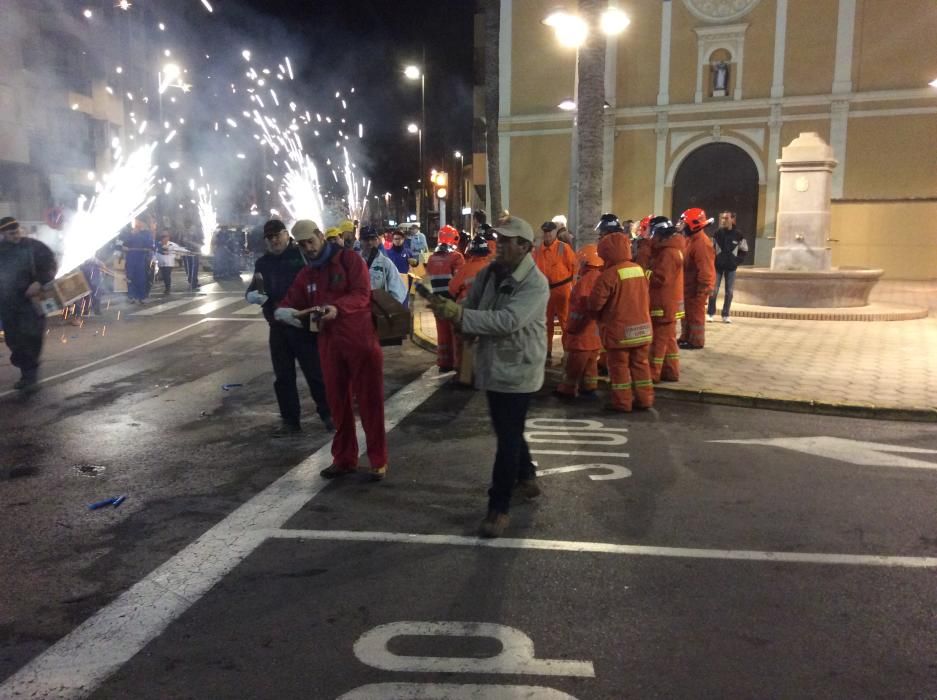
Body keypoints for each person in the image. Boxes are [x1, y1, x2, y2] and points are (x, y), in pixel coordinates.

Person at [427, 215, 548, 538]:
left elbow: (507, 320)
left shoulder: (535, 283)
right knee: (508, 428)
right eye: (499, 239)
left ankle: (498, 507)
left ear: (524, 246)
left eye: (508, 241)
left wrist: (463, 315)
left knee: (507, 437)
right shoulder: (490, 273)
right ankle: (527, 476)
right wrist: (455, 312)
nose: (500, 246)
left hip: (520, 369)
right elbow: (473, 302)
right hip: (494, 365)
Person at [277, 220, 388, 481]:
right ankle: (345, 458)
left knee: (370, 402)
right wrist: (287, 313)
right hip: (329, 345)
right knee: (338, 404)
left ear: (320, 236)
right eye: (302, 245)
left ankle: (378, 460)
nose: (307, 248)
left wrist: (337, 308)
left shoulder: (349, 260)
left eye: (310, 242)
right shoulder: (307, 274)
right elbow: (291, 300)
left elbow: (362, 295)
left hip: (360, 342)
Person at [245, 219, 333, 436]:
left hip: (301, 324)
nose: (274, 240)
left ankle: (329, 414)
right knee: (283, 376)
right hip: (277, 326)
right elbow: (256, 287)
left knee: (315, 372)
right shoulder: (263, 263)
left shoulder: (300, 255)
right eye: (270, 237)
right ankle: (290, 420)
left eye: (277, 235)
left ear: (286, 234)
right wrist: (252, 294)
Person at [588, 225, 654, 412]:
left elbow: (595, 303)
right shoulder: (638, 270)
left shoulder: (609, 275)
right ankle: (645, 400)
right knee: (641, 367)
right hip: (642, 329)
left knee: (619, 369)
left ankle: (622, 403)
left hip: (620, 333)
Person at [0, 217, 57, 392]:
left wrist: (39, 282)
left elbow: (50, 264)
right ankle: (26, 371)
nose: (15, 236)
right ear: (2, 234)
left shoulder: (34, 247)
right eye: (11, 234)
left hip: (31, 303)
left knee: (31, 337)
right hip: (8, 303)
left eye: (16, 232)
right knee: (14, 340)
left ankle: (30, 376)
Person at [554, 243, 603, 400]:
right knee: (590, 365)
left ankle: (567, 390)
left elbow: (578, 309)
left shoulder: (585, 282)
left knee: (573, 367)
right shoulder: (600, 277)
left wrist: (571, 329)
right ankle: (589, 389)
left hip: (581, 336)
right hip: (594, 335)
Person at [532, 220, 578, 361]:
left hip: (562, 289)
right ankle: (547, 350)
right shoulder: (538, 251)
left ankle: (567, 351)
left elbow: (574, 267)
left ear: (554, 232)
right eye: (545, 232)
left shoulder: (563, 248)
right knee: (547, 322)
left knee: (564, 321)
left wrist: (573, 285)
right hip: (546, 291)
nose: (547, 235)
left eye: (549, 232)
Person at [647, 216, 685, 382]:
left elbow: (661, 278)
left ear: (660, 234)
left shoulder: (668, 253)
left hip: (662, 305)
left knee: (658, 342)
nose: (651, 237)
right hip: (668, 303)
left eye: (653, 234)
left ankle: (653, 374)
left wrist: (644, 273)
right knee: (669, 341)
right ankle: (670, 371)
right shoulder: (671, 250)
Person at [424, 225, 465, 372]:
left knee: (442, 333)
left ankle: (443, 360)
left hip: (436, 300)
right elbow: (461, 279)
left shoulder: (432, 258)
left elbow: (428, 278)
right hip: (452, 301)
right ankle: (456, 362)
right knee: (455, 334)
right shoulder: (456, 257)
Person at [679, 207, 716, 349]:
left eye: (685, 224)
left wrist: (704, 287)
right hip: (688, 286)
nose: (682, 226)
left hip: (697, 287)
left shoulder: (701, 243)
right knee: (687, 314)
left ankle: (696, 341)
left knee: (695, 315)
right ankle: (686, 337)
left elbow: (706, 268)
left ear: (693, 224)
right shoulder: (690, 240)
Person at [708, 210, 748, 323]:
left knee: (729, 292)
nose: (723, 220)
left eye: (726, 218)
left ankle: (725, 315)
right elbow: (710, 248)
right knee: (713, 290)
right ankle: (710, 313)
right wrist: (713, 261)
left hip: (731, 268)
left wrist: (736, 262)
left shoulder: (738, 235)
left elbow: (744, 250)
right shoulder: (717, 233)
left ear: (732, 219)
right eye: (722, 218)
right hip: (717, 267)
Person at [360, 226, 408, 305]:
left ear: (378, 240)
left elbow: (398, 291)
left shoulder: (386, 263)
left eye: (373, 239)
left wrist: (387, 308)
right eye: (366, 239)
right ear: (360, 241)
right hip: (359, 310)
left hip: (379, 311)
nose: (370, 242)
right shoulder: (354, 262)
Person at [124, 217, 154, 304]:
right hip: (130, 259)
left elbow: (150, 245)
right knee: (130, 278)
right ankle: (131, 296)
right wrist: (124, 247)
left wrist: (148, 249)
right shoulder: (128, 233)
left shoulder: (146, 234)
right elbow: (122, 244)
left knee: (141, 278)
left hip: (141, 259)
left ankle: (141, 297)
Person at [155, 230, 190, 295]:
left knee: (167, 275)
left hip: (169, 263)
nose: (164, 238)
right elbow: (155, 253)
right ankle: (166, 287)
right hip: (161, 263)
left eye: (166, 236)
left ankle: (167, 288)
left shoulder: (172, 245)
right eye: (163, 236)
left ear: (169, 237)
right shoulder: (158, 245)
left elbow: (180, 249)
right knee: (163, 276)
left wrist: (187, 251)